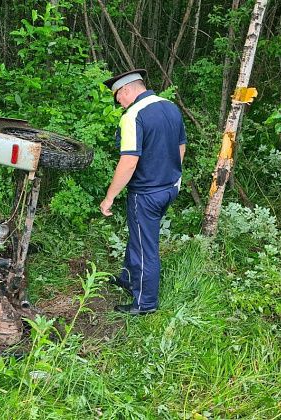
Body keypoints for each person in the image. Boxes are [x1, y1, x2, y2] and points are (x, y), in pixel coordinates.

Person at [100, 69, 186, 315]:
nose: (119, 103)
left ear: (127, 90)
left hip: (146, 194)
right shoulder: (170, 107)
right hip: (169, 188)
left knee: (146, 246)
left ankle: (145, 303)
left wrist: (109, 197)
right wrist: (171, 176)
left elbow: (128, 162)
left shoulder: (133, 115)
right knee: (138, 236)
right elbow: (181, 148)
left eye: (118, 97)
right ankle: (129, 278)